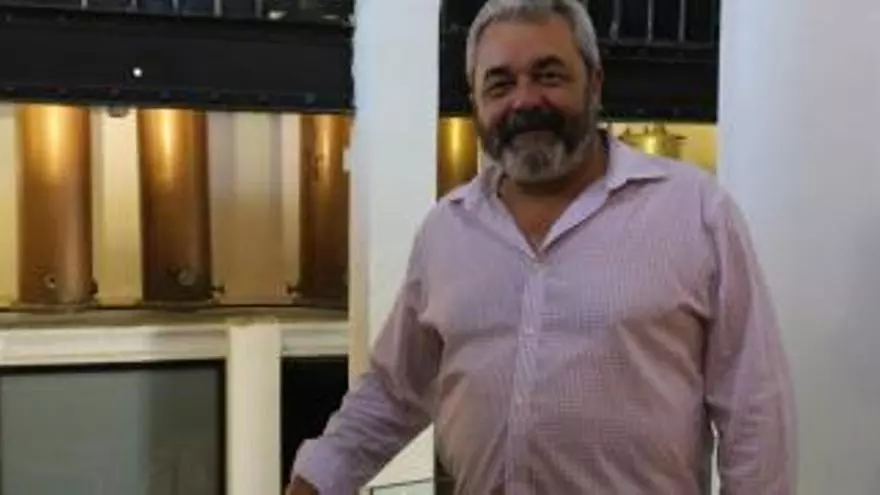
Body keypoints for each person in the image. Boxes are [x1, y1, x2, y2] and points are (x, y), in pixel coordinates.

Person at [287, 0, 796, 493]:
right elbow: (393, 392)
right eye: (500, 83)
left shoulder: (693, 211)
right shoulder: (446, 231)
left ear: (594, 82)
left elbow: (754, 411)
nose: (525, 101)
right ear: (476, 101)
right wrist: (314, 482)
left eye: (548, 75)